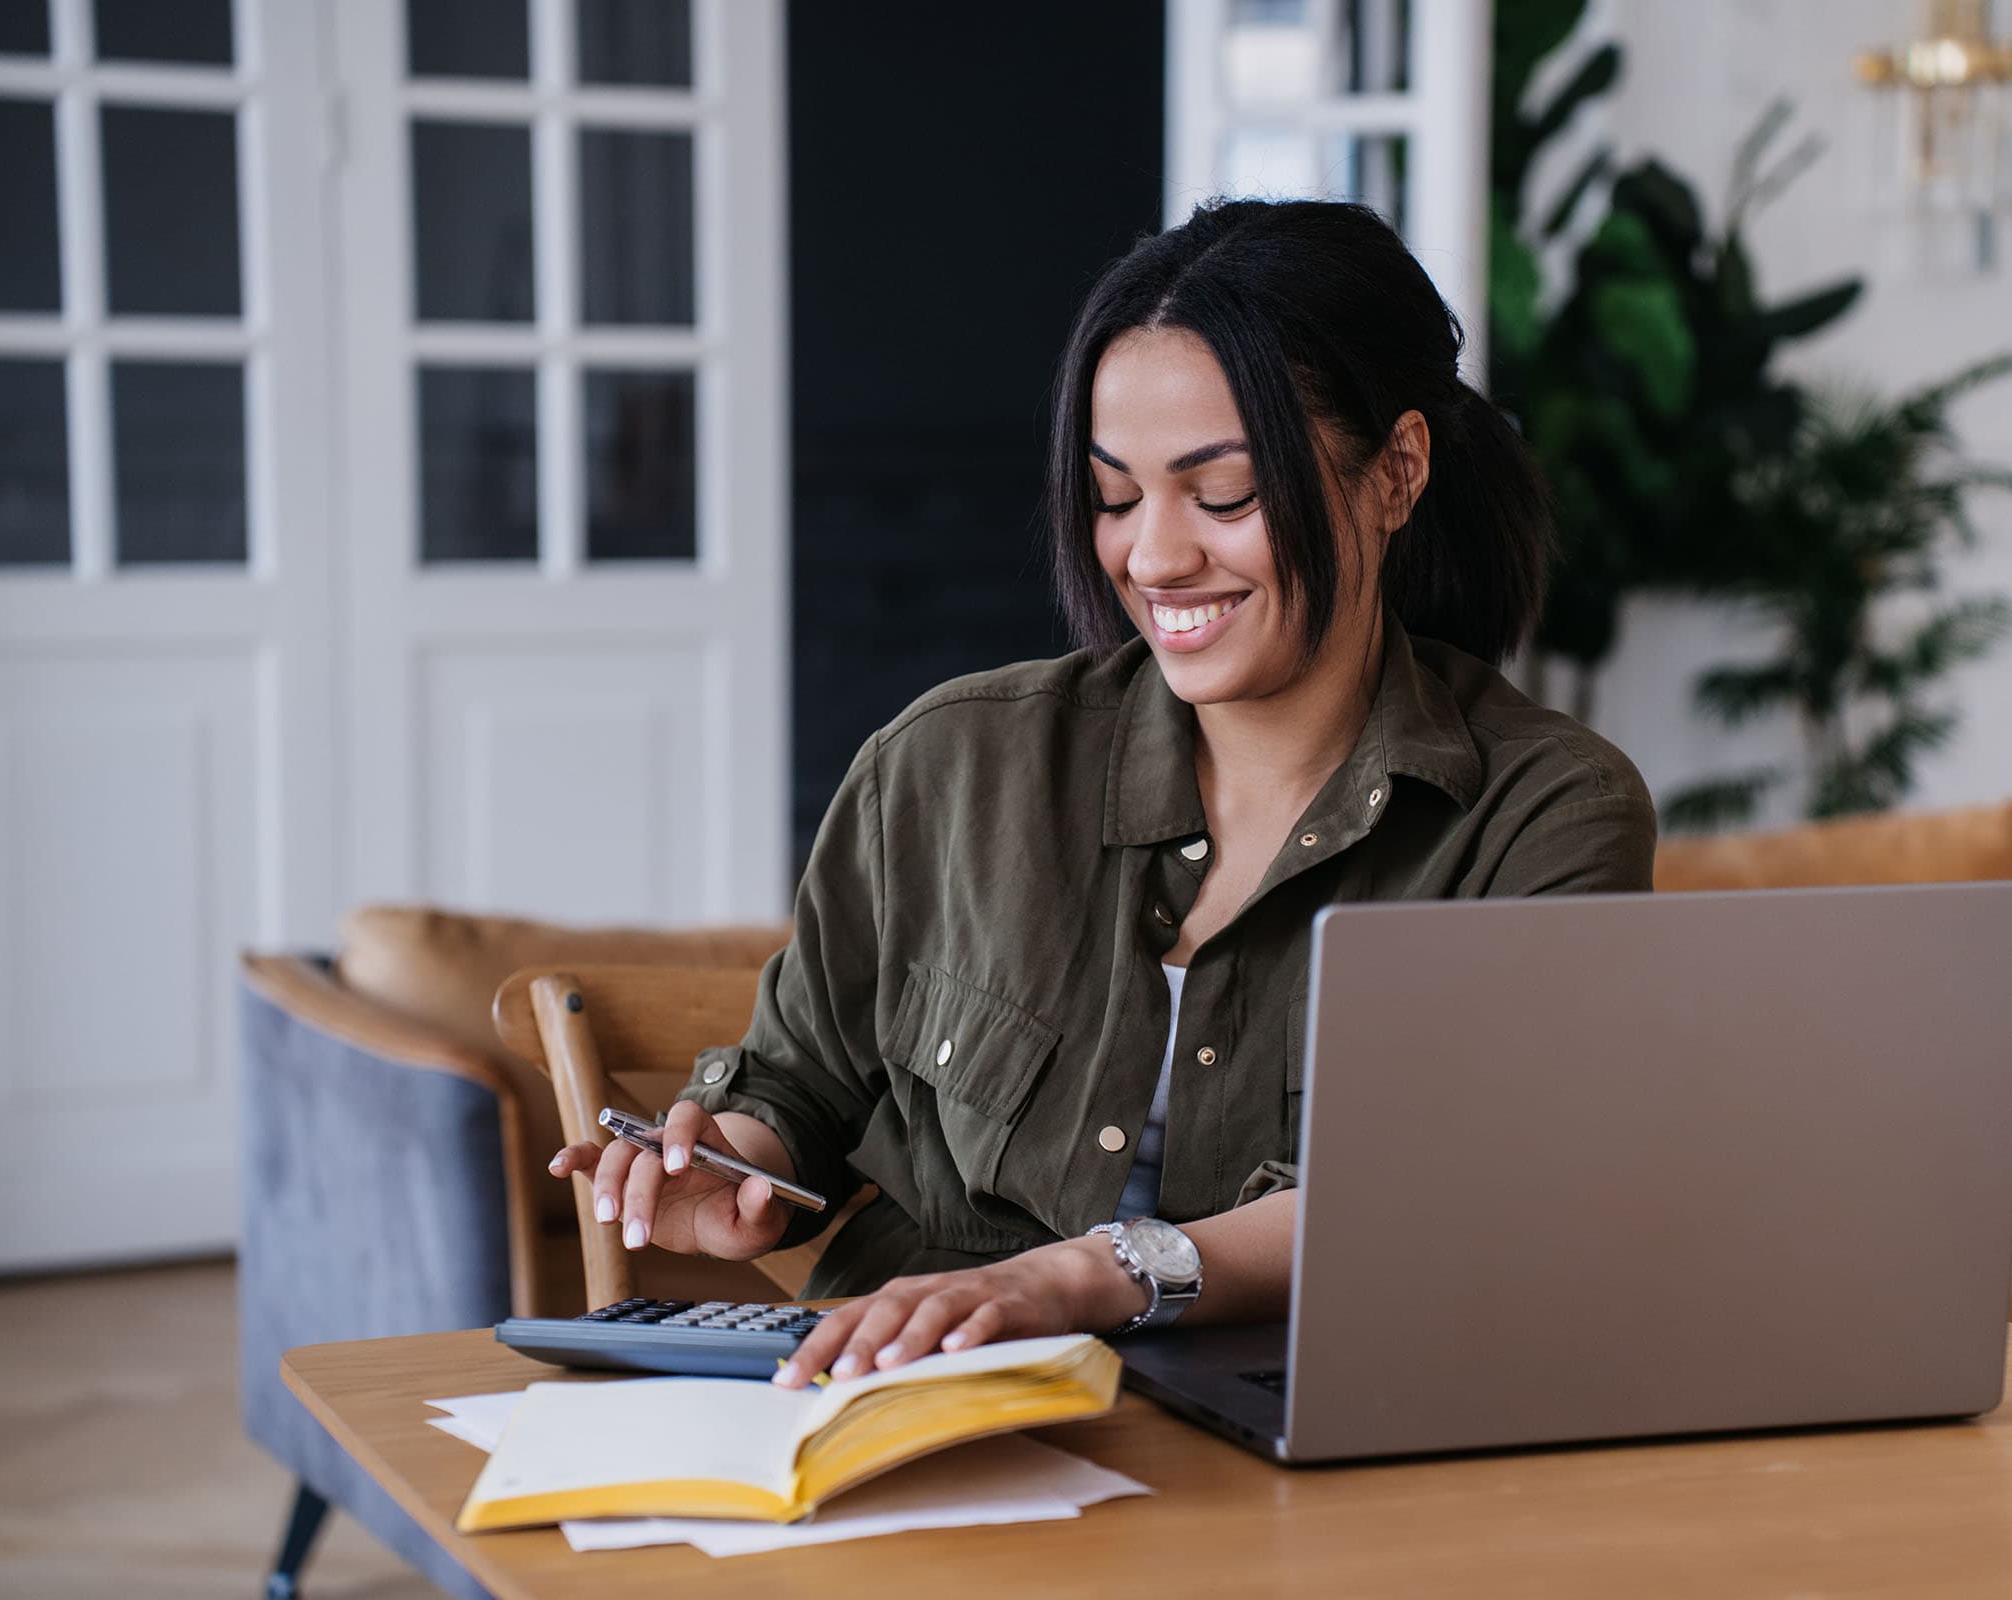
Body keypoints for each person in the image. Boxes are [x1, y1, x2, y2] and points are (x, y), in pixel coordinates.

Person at [548, 198, 1657, 1386]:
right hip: (908, 1430)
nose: (1154, 556)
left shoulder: (1543, 815)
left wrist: (1082, 1274)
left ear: (1396, 470)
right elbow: (800, 1079)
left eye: (1223, 493)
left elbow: (1450, 1193)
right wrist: (738, 1163)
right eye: (1117, 497)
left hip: (1306, 1441)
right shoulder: (950, 765)